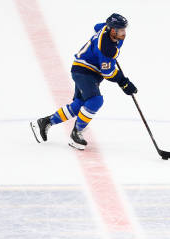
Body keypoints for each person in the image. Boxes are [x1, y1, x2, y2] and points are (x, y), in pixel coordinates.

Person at [30, 13, 137, 150]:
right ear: (112, 30)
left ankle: (45, 122)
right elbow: (108, 73)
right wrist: (124, 82)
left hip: (85, 69)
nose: (124, 33)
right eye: (120, 29)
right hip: (84, 72)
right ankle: (76, 133)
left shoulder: (105, 29)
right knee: (95, 101)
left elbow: (97, 26)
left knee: (79, 104)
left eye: (124, 29)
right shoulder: (106, 49)